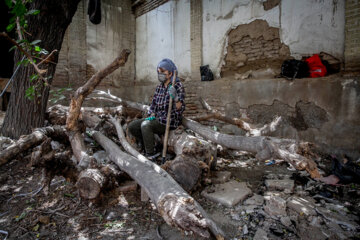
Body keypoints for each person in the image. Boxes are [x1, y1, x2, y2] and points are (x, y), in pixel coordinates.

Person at [128, 58, 185, 160]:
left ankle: (150, 154)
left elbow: (180, 110)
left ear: (170, 74)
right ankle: (147, 146)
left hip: (169, 121)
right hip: (157, 119)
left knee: (146, 125)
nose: (160, 74)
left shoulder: (177, 86)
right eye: (159, 72)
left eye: (163, 72)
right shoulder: (159, 87)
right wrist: (151, 114)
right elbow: (153, 105)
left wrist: (176, 98)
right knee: (133, 126)